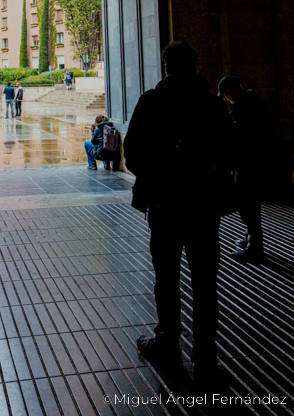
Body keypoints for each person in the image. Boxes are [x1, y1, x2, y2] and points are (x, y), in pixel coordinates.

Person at [124, 41, 231, 388]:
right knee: (205, 283)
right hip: (203, 206)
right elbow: (230, 152)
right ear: (196, 64)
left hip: (166, 206)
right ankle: (206, 357)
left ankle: (167, 343)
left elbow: (133, 154)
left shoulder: (152, 102)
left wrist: (158, 177)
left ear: (166, 65)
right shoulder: (213, 105)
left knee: (166, 278)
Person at [218, 75, 273, 263]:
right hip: (256, 161)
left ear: (229, 91)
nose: (226, 98)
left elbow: (234, 137)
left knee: (247, 204)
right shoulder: (256, 102)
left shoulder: (241, 109)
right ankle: (251, 238)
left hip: (245, 163)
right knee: (250, 202)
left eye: (225, 95)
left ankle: (255, 247)